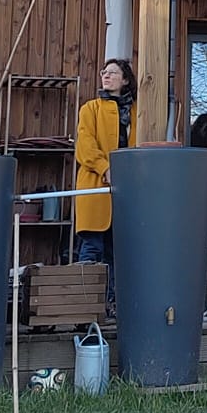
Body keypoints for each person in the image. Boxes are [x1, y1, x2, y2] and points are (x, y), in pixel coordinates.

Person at [73, 59, 135, 284]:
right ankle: (86, 307)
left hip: (127, 190)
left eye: (112, 73)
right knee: (91, 247)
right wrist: (105, 167)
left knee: (118, 252)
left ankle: (113, 305)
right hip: (95, 186)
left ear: (125, 80)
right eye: (104, 72)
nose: (106, 76)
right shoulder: (90, 109)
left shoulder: (137, 112)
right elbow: (84, 147)